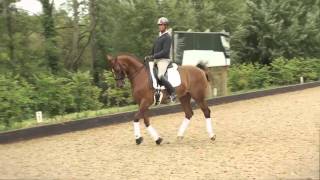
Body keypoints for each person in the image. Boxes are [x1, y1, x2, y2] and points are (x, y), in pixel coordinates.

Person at [145, 17, 176, 101]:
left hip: (164, 60)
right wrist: (149, 56)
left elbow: (165, 51)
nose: (160, 26)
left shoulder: (167, 37)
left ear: (166, 26)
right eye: (159, 25)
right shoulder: (158, 37)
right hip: (156, 60)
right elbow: (154, 49)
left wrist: (153, 56)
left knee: (160, 75)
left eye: (161, 25)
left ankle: (172, 92)